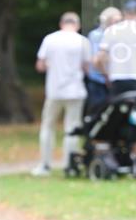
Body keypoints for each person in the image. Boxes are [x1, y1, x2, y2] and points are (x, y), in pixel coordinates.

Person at [31, 12, 91, 176]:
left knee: (48, 126)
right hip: (75, 91)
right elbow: (87, 67)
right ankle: (69, 164)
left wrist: (52, 65)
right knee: (72, 128)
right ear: (77, 25)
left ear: (61, 23)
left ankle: (45, 165)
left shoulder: (50, 39)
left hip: (54, 90)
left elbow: (40, 65)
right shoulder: (82, 41)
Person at [96, 0, 136, 153]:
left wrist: (106, 76)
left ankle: (115, 152)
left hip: (117, 80)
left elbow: (98, 59)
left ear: (124, 13)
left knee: (116, 117)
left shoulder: (111, 31)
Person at [86, 7, 121, 113]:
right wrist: (107, 77)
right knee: (98, 110)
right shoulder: (96, 35)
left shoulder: (117, 35)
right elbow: (97, 60)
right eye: (116, 21)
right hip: (98, 80)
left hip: (111, 79)